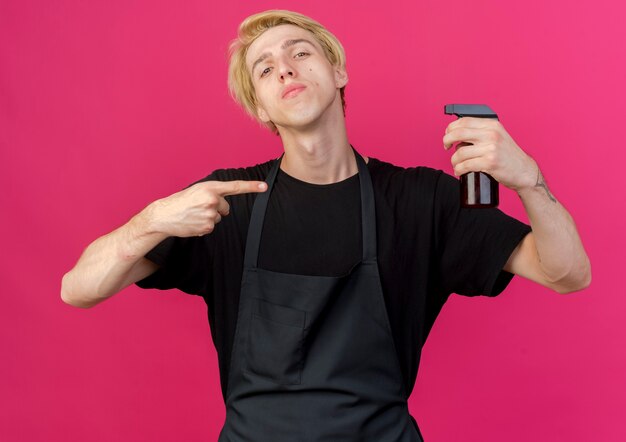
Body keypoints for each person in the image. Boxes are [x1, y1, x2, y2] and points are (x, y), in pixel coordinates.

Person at [61, 9, 591, 442]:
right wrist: (153, 220)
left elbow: (567, 273)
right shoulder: (226, 204)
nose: (285, 69)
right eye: (264, 70)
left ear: (339, 72)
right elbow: (78, 289)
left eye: (300, 53)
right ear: (260, 108)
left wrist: (529, 180)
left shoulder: (420, 201)